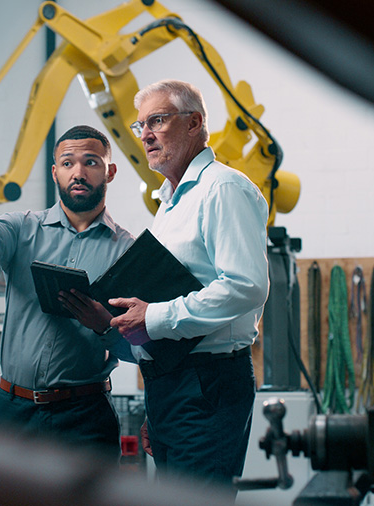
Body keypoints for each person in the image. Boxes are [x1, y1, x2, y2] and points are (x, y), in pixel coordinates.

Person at [0, 125, 135, 460]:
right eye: (68, 163)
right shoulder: (22, 228)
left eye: (91, 162)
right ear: (55, 172)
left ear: (110, 171)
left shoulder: (127, 252)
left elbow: (140, 347)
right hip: (13, 413)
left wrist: (105, 326)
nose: (79, 172)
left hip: (85, 417)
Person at [110, 79, 270, 496]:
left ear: (194, 123)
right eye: (141, 124)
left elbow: (246, 285)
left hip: (208, 382)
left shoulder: (223, 188)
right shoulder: (170, 201)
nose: (145, 134)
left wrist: (154, 315)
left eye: (157, 121)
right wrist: (158, 403)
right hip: (174, 382)